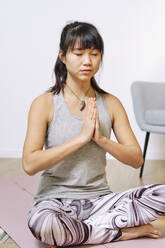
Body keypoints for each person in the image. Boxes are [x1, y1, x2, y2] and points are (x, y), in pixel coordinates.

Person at [22, 21, 165, 248]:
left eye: (94, 54)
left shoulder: (110, 103)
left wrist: (102, 140)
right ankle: (120, 232)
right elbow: (29, 164)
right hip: (55, 202)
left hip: (101, 202)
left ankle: (80, 232)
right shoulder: (45, 103)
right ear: (63, 56)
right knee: (44, 224)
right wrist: (80, 138)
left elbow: (136, 159)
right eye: (78, 53)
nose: (87, 61)